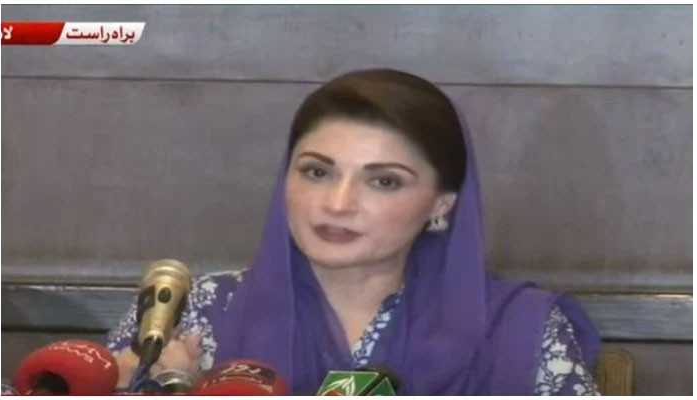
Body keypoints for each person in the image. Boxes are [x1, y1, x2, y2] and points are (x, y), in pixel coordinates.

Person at [107, 69, 602, 395]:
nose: (338, 204)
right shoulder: (186, 313)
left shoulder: (519, 328)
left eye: (384, 181)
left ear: (442, 204)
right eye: (317, 172)